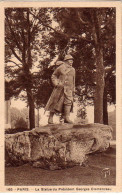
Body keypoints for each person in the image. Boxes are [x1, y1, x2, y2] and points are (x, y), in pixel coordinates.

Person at [45, 54, 75, 124]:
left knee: (68, 102)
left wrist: (73, 89)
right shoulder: (61, 67)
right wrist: (56, 83)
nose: (71, 62)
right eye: (70, 60)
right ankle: (50, 118)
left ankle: (66, 118)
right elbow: (54, 75)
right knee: (55, 102)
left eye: (72, 60)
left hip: (69, 89)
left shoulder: (73, 69)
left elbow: (73, 80)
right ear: (66, 61)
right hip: (60, 88)